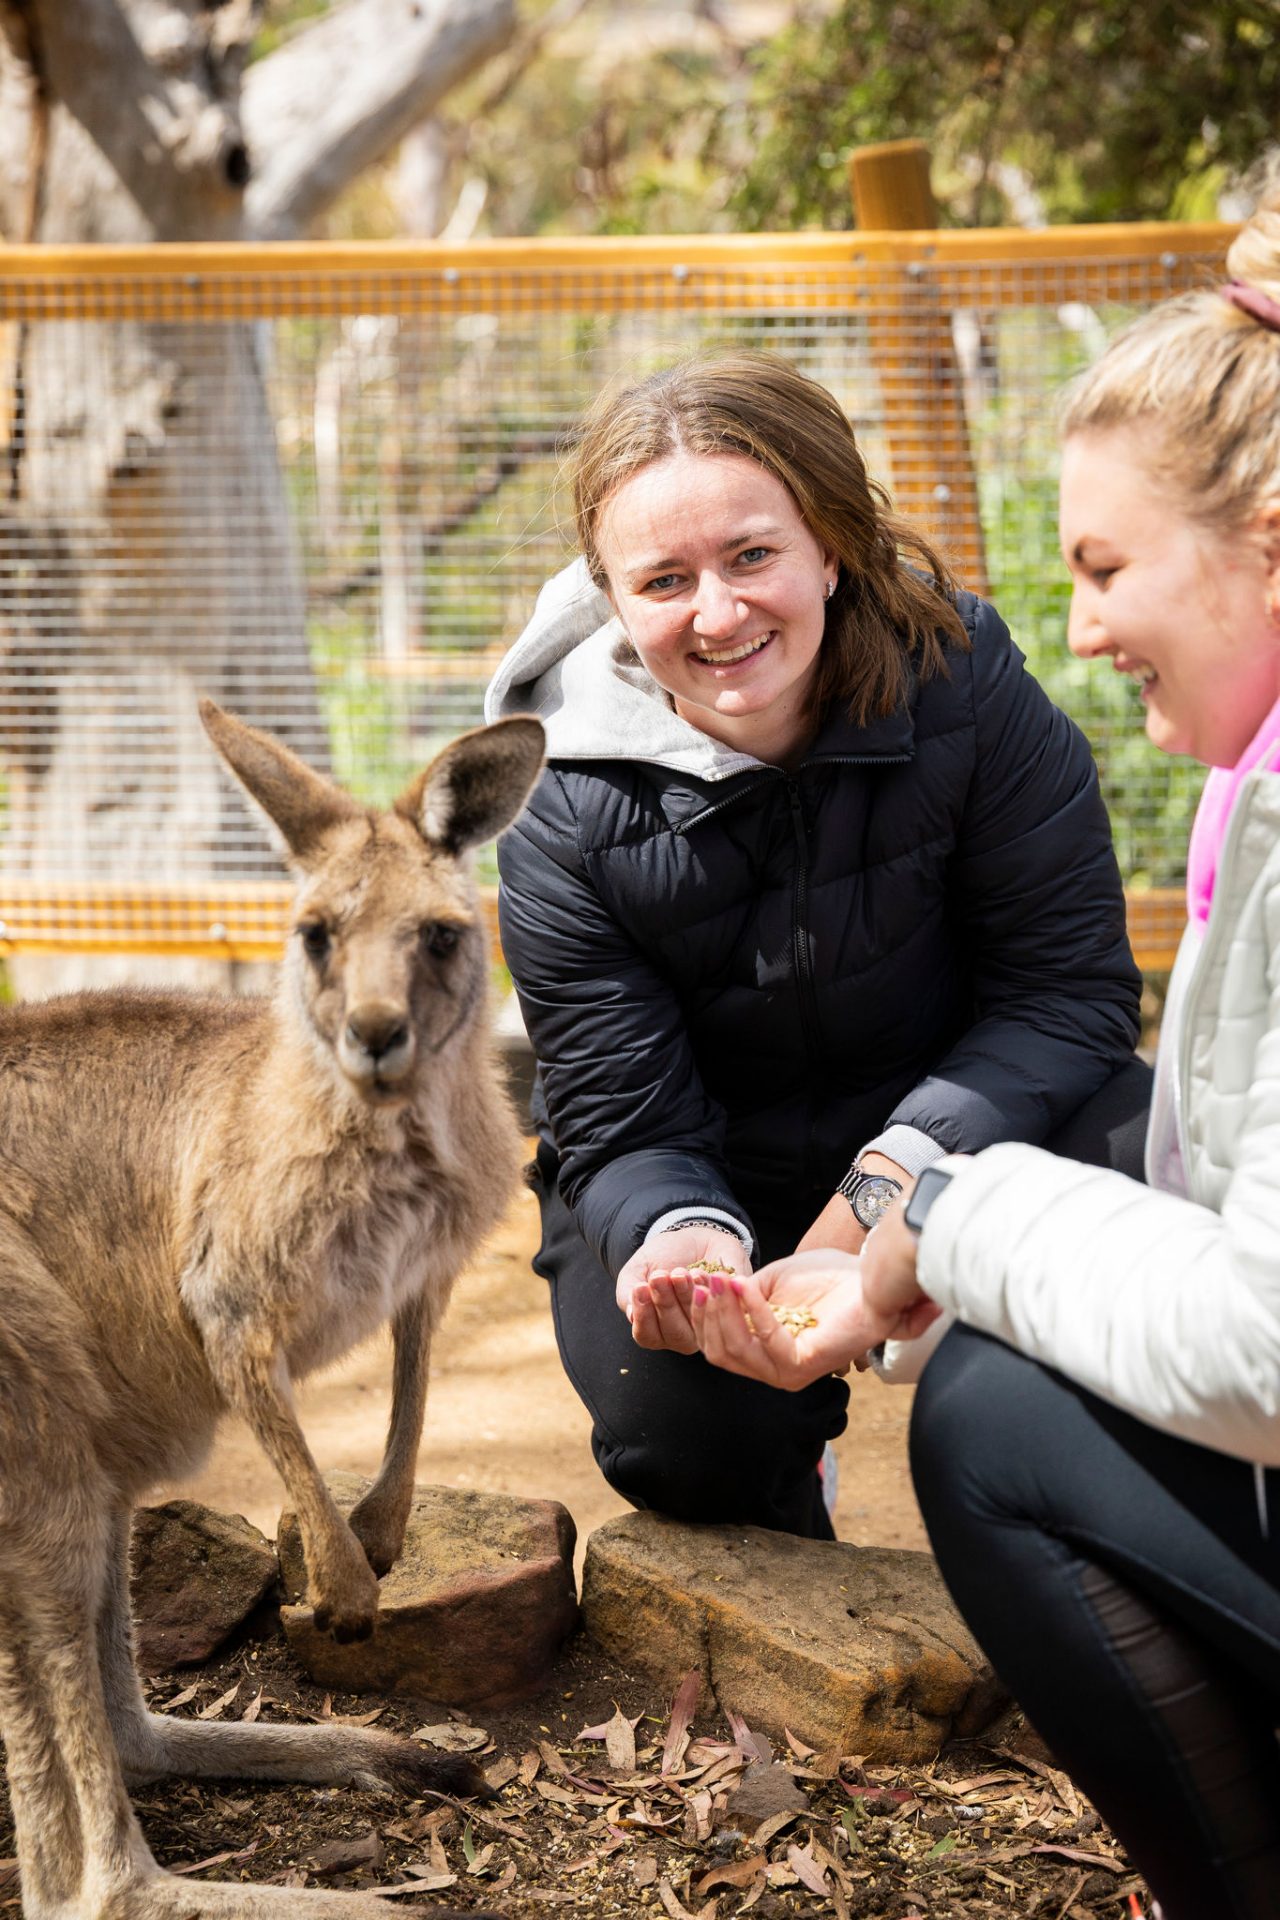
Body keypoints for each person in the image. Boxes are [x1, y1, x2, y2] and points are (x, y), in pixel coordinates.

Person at [687, 194, 1280, 1918]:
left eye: (1106, 568)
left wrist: (934, 1215)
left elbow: (1069, 1014)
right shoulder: (586, 810)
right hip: (839, 1192)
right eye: (662, 583)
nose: (1084, 623)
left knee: (994, 1425)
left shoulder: (978, 703)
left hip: (942, 1155)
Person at [486, 348, 1148, 1541]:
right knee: (682, 1440)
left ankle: (1101, 1547)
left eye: (751, 556)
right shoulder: (557, 802)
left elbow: (1065, 995)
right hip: (712, 1159)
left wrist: (884, 1200)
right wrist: (675, 1241)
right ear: (610, 597)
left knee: (1154, 1193)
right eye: (664, 578)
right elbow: (620, 1116)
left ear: (829, 545)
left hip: (962, 1120)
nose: (718, 612)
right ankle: (786, 1511)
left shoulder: (964, 683)